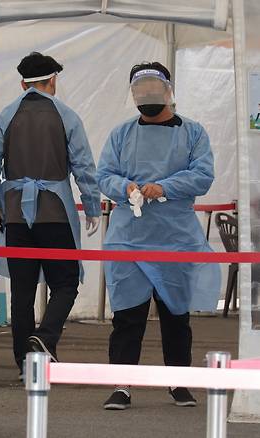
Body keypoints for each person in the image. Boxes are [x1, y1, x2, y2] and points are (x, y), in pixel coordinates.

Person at [97, 62, 221, 410]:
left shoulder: (192, 133)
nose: (147, 97)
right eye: (141, 91)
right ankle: (121, 384)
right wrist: (127, 187)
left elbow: (202, 175)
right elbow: (104, 174)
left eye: (153, 89)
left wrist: (163, 187)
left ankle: (179, 382)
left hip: (174, 236)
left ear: (168, 91)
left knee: (175, 314)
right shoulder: (121, 134)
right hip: (129, 237)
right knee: (127, 315)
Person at [0, 52, 101, 377]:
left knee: (21, 292)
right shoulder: (67, 116)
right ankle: (44, 337)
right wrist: (91, 205)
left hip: (17, 217)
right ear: (52, 81)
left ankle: (24, 364)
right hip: (55, 214)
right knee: (66, 283)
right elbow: (84, 166)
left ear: (22, 83)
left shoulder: (6, 115)